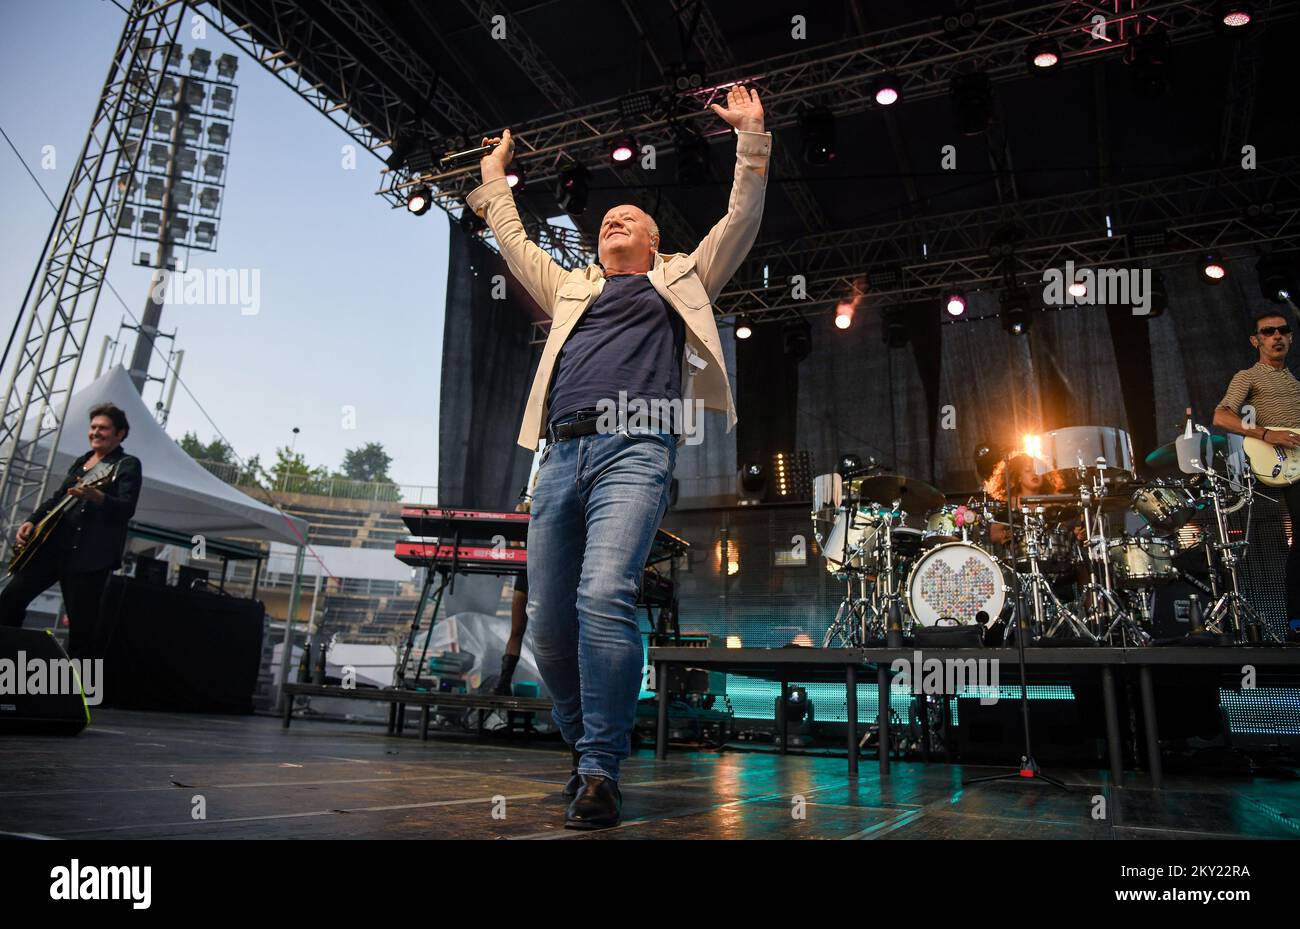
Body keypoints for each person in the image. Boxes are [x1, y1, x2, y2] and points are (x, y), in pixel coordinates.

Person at [464, 84, 770, 829]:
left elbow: (740, 220)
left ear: (656, 240)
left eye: (627, 216)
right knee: (546, 624)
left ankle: (601, 763)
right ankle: (584, 746)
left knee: (605, 594)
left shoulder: (680, 279)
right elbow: (515, 241)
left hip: (636, 447)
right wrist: (495, 179)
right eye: (604, 219)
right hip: (560, 456)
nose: (611, 220)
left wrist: (753, 137)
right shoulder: (572, 287)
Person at [0, 403, 142, 656]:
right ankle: (9, 663)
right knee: (9, 600)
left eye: (104, 428)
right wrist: (32, 520)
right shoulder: (82, 462)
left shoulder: (127, 464)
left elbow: (126, 508)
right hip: (52, 549)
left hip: (88, 558)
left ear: (120, 433)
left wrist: (98, 497)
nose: (96, 432)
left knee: (83, 629)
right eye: (93, 427)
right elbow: (58, 498)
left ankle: (81, 690)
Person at [1213, 309, 1300, 624]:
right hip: (1286, 462)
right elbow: (1221, 416)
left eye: (1282, 330)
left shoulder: (1292, 380)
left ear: (1290, 336)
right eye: (1268, 332)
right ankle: (1296, 620)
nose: (1276, 336)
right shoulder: (1247, 376)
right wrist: (1267, 433)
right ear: (1255, 340)